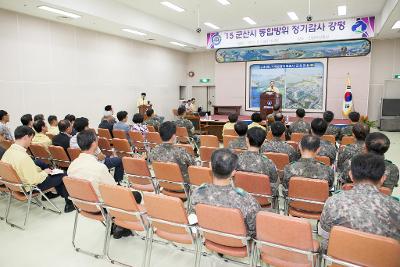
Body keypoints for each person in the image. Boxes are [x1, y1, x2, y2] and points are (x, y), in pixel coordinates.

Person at [67, 129, 141, 239]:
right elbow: (114, 191)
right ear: (94, 144)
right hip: (101, 207)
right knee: (136, 195)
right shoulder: (99, 168)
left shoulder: (72, 166)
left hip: (81, 205)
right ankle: (120, 226)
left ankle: (117, 225)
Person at [319, 153, 400, 251]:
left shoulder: (333, 201)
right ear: (383, 178)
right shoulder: (396, 208)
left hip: (341, 256)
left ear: (351, 175)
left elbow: (324, 233)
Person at [1, 126, 74, 212]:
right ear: (26, 137)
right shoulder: (23, 158)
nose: (31, 142)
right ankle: (69, 204)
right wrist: (44, 172)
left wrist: (41, 170)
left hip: (14, 186)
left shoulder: (8, 152)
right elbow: (34, 180)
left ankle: (54, 194)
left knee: (43, 166)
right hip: (29, 187)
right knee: (62, 175)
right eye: (31, 139)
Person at [191, 148, 261, 237]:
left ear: (210, 166)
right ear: (233, 172)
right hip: (239, 244)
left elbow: (194, 218)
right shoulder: (246, 200)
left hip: (211, 238)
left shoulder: (197, 193)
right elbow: (255, 228)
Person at [70, 117, 125, 184]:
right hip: (97, 162)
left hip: (80, 161)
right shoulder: (91, 140)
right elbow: (101, 157)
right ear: (85, 127)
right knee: (119, 160)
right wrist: (109, 156)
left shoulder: (72, 140)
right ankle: (118, 181)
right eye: (88, 126)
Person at [237, 127, 279, 196]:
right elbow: (275, 184)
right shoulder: (269, 163)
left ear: (247, 140)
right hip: (262, 200)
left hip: (240, 197)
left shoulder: (236, 159)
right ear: (263, 142)